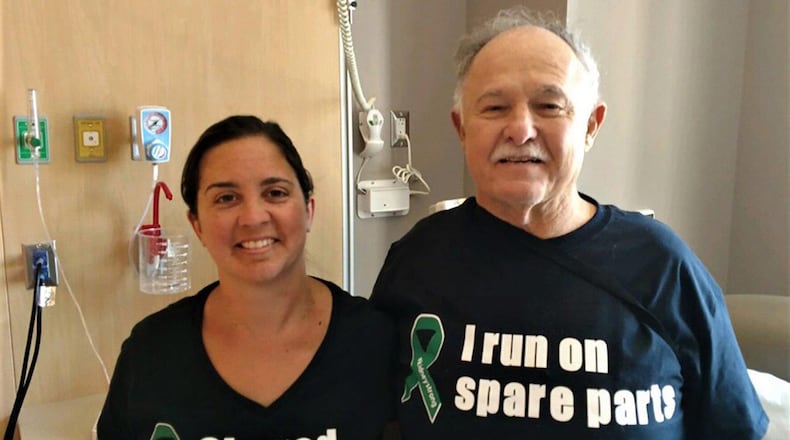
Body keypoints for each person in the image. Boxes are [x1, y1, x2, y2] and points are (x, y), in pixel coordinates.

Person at [370, 7, 768, 439]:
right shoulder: (416, 262)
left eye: (549, 106)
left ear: (591, 125)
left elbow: (735, 429)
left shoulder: (664, 268)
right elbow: (380, 419)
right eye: (495, 107)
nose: (521, 130)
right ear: (462, 127)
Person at [98, 116, 396, 439]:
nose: (253, 217)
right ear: (196, 225)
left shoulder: (375, 342)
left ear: (308, 210)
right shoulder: (150, 355)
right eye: (226, 198)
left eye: (276, 193)